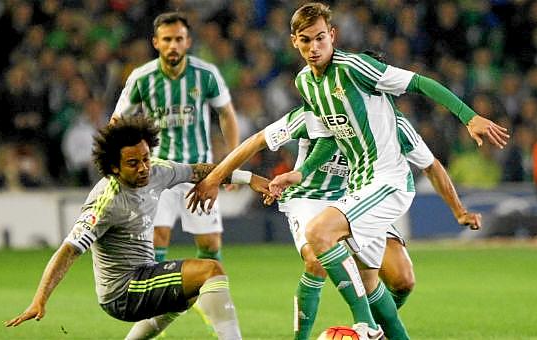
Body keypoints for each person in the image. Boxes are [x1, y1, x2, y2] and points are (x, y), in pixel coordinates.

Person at [267, 3, 509, 339]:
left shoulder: (356, 70)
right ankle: (383, 328)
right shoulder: (306, 83)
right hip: (360, 187)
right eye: (306, 40)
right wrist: (302, 171)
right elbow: (325, 137)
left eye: (320, 38)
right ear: (295, 41)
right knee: (372, 287)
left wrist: (468, 116)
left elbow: (422, 85)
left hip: (388, 182)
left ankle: (366, 330)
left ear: (332, 36)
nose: (314, 47)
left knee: (319, 233)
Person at [187, 106, 482, 340]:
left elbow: (430, 164)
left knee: (402, 279)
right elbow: (257, 140)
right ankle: (345, 330)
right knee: (316, 259)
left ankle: (369, 330)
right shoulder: (315, 114)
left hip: (358, 199)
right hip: (310, 199)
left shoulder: (393, 123)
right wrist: (217, 177)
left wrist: (459, 210)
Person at [5, 117, 270, 339]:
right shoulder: (106, 202)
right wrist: (40, 298)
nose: (143, 168)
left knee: (187, 292)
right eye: (133, 163)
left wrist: (248, 178)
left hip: (143, 273)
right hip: (122, 291)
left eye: (145, 158)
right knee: (210, 270)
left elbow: (199, 171)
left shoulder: (157, 172)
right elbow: (69, 250)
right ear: (113, 167)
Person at [110, 12, 240, 263]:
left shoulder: (205, 74)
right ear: (156, 43)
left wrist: (232, 161)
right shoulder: (142, 77)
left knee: (210, 244)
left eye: (179, 39)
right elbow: (117, 122)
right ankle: (158, 298)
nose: (173, 45)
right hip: (158, 171)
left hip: (199, 171)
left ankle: (206, 298)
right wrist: (118, 166)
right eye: (167, 39)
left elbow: (227, 114)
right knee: (157, 237)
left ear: (188, 42)